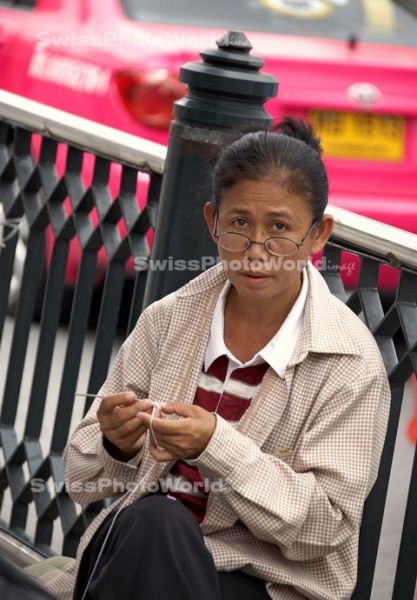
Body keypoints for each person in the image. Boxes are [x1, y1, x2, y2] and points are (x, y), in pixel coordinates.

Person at [43, 118, 390, 600]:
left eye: (280, 229)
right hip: (138, 546)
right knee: (155, 520)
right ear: (212, 222)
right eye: (239, 224)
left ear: (318, 235)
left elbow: (324, 528)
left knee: (158, 525)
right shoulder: (169, 320)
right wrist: (115, 443)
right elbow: (82, 480)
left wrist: (215, 447)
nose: (256, 252)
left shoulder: (348, 362)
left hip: (257, 582)